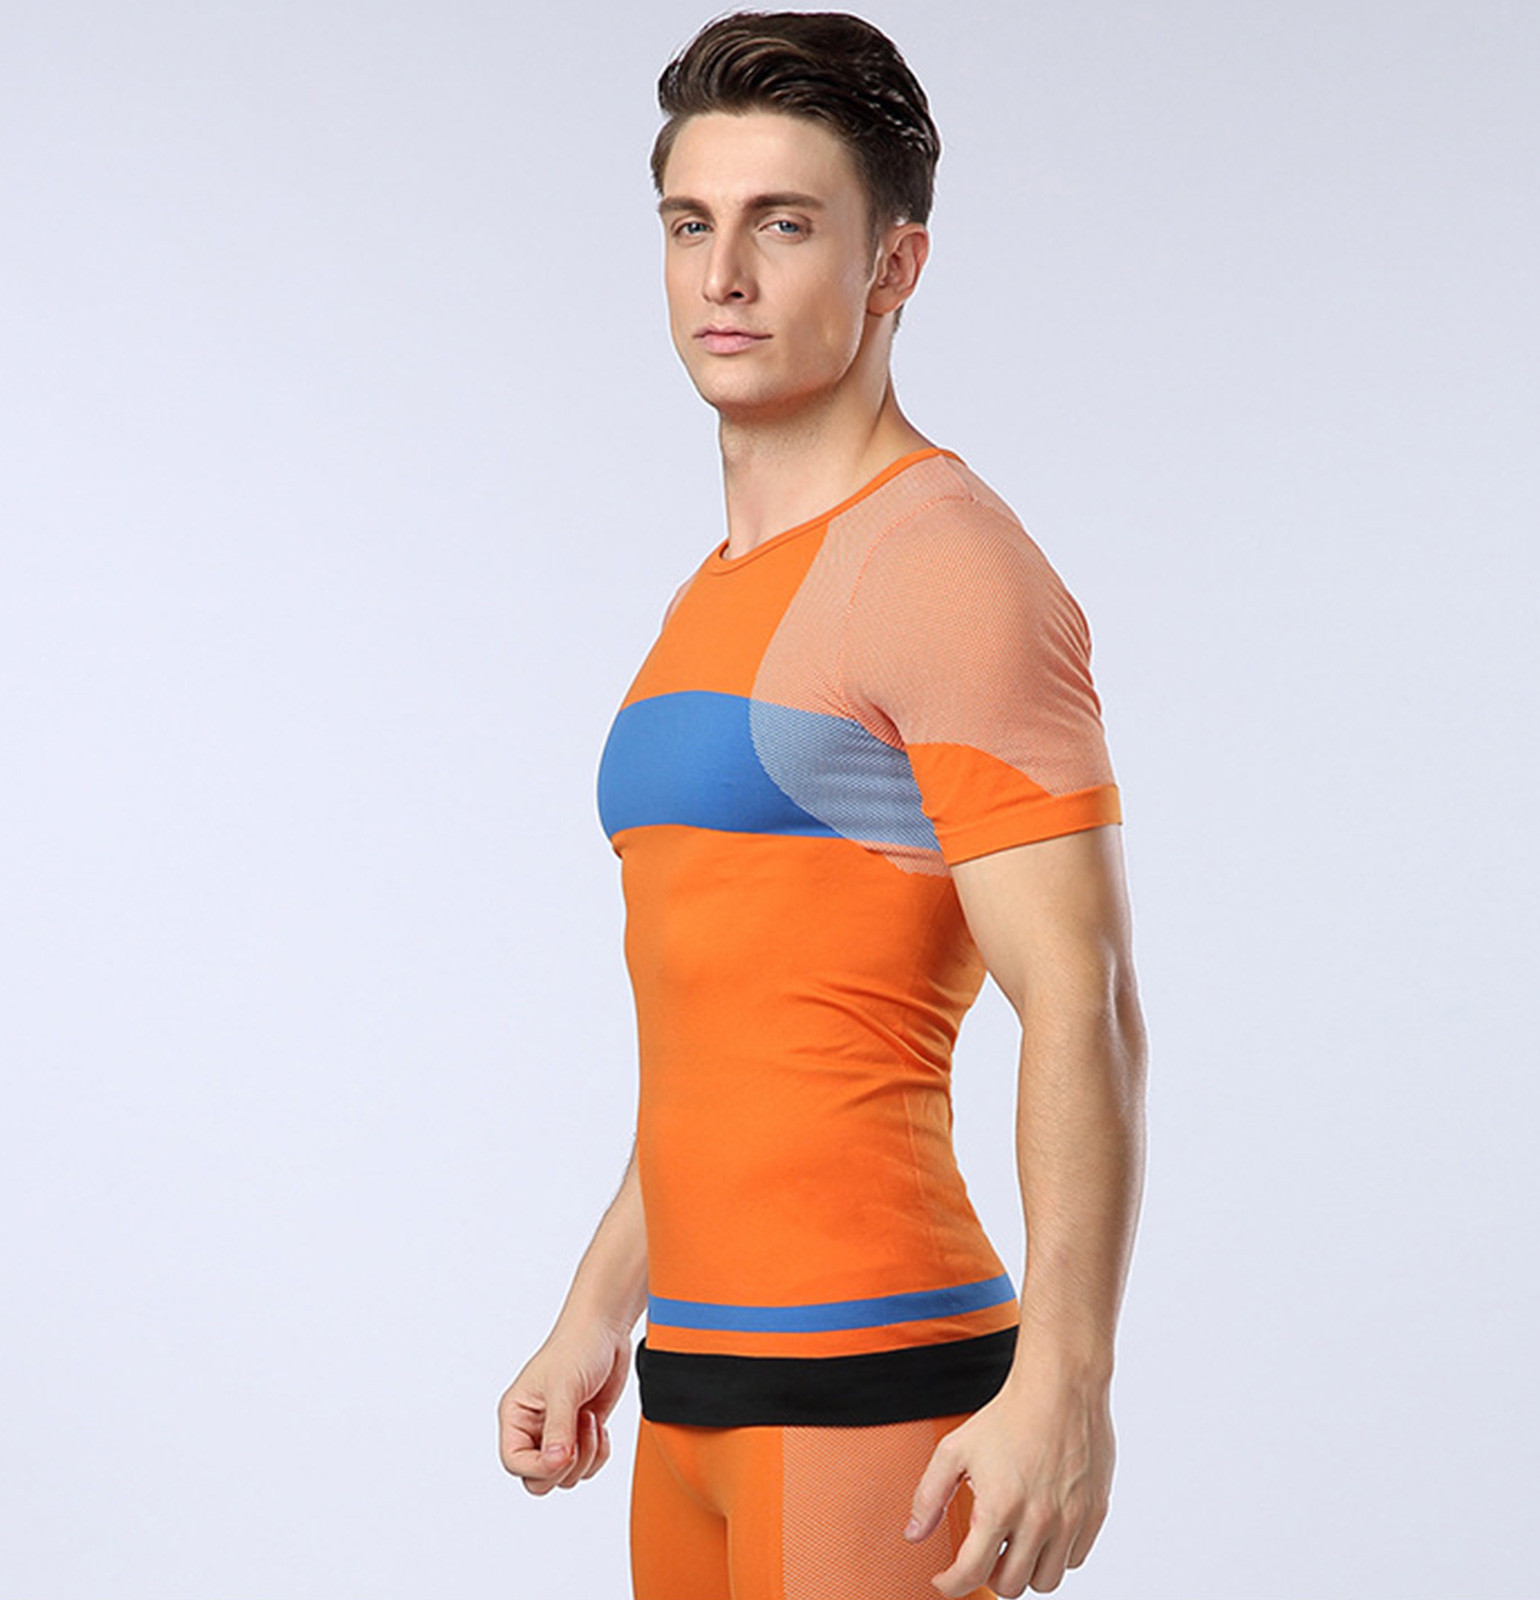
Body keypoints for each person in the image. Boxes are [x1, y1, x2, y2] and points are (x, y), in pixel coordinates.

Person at [497, 12, 1147, 1598]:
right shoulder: (713, 593)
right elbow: (737, 1032)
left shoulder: (943, 566)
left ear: (892, 265)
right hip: (691, 1382)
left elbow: (1082, 994)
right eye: (690, 225)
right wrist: (598, 1310)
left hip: (875, 1382)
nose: (723, 276)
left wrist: (1066, 1382)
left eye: (783, 226)